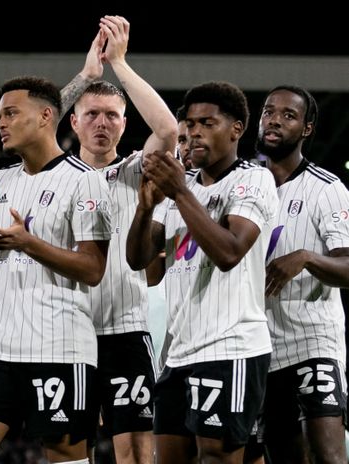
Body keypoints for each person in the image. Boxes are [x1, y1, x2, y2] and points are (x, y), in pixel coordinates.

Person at [0, 76, 112, 464]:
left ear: (44, 117)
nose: (1, 123)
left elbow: (92, 269)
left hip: (60, 347)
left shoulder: (85, 181)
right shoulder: (0, 181)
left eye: (10, 113)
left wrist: (29, 242)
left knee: (66, 459)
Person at [126, 81, 279, 463]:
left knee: (217, 457)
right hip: (178, 352)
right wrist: (145, 209)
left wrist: (179, 192)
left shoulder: (254, 179)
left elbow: (229, 252)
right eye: (190, 123)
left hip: (232, 347)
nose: (194, 131)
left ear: (236, 129)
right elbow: (143, 267)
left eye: (207, 122)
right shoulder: (183, 184)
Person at [66, 16, 177, 464]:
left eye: (112, 115)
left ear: (125, 123)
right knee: (69, 447)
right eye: (91, 113)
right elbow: (34, 122)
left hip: (126, 327)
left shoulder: (134, 170)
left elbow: (168, 131)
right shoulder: (53, 174)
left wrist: (120, 66)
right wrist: (87, 76)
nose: (101, 123)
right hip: (64, 330)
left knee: (133, 447)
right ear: (72, 122)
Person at [257, 85, 349, 464]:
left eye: (288, 115)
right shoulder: (243, 186)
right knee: (282, 456)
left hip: (313, 343)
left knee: (327, 454)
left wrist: (308, 257)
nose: (275, 119)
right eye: (268, 111)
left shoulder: (327, 190)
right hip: (260, 348)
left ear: (307, 129)